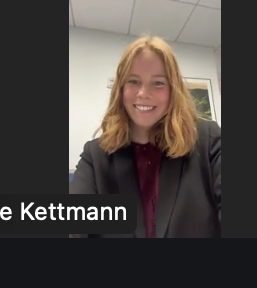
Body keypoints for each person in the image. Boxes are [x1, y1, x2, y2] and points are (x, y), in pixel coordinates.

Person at [70, 36, 221, 238]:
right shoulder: (96, 155)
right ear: (121, 89)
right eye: (133, 81)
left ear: (173, 90)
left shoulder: (208, 140)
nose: (143, 93)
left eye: (158, 83)